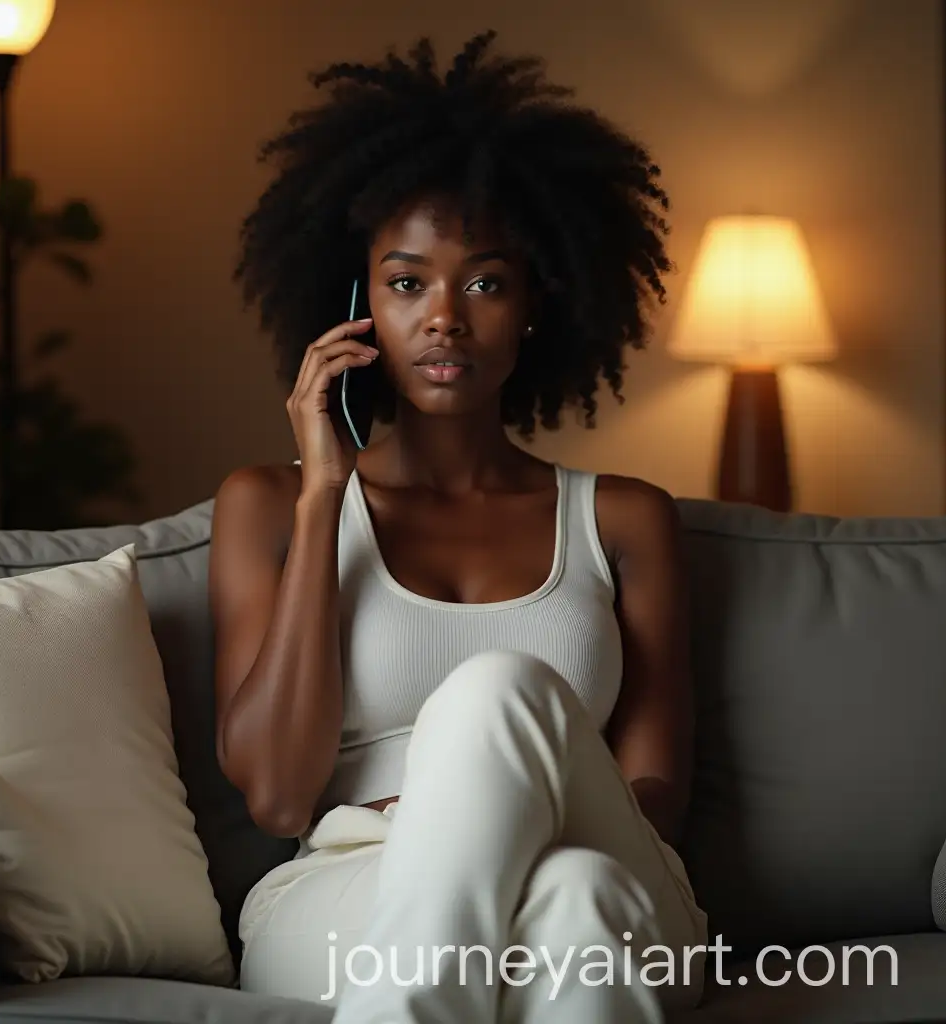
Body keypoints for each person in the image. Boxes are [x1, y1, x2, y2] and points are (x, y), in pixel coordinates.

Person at [209, 30, 708, 1023]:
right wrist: (324, 498)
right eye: (404, 283)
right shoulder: (271, 504)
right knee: (575, 911)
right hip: (347, 889)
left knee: (502, 704)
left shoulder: (622, 518)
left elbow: (652, 796)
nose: (443, 317)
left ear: (534, 307)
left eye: (483, 281)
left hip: (600, 853)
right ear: (353, 308)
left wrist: (479, 799)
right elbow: (274, 798)